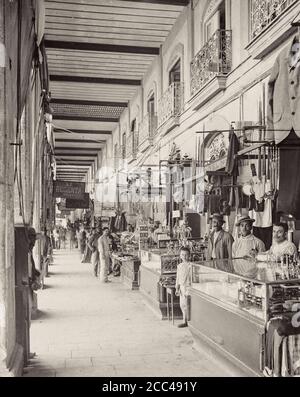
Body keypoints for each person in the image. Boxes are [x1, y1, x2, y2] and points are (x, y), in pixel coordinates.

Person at [175, 247, 192, 328]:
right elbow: (178, 278)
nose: (184, 257)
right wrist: (177, 288)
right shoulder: (179, 266)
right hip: (182, 287)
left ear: (189, 256)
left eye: (186, 255)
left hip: (189, 287)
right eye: (182, 255)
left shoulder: (191, 266)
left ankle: (189, 321)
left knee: (188, 304)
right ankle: (184, 320)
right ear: (180, 256)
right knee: (182, 305)